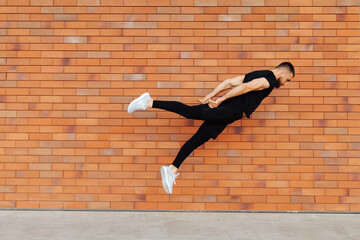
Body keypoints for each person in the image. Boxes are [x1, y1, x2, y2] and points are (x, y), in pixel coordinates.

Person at [127, 62, 295, 194]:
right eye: (287, 80)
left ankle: (171, 169)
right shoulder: (269, 81)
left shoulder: (259, 73)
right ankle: (147, 102)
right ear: (281, 73)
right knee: (189, 112)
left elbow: (230, 82)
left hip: (228, 114)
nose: (285, 84)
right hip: (228, 110)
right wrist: (220, 100)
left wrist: (210, 95)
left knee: (198, 139)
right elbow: (243, 87)